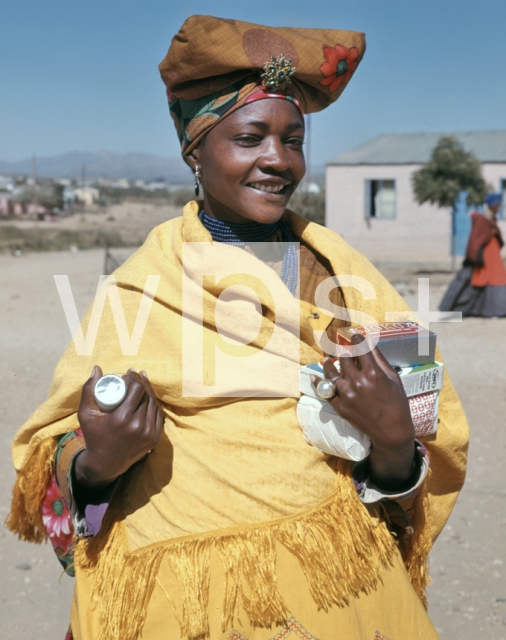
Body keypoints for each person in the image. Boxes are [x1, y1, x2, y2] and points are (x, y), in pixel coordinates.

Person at [7, 16, 469, 640]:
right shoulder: (142, 287)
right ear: (195, 149)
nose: (277, 160)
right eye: (251, 138)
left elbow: (414, 463)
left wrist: (391, 448)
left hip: (339, 592)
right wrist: (98, 462)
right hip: (181, 604)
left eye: (294, 140)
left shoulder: (347, 280)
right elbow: (53, 464)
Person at [439, 192, 506, 316]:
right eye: (496, 205)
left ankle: (496, 310)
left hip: (493, 258)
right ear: (491, 205)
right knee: (475, 281)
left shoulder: (492, 220)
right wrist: (475, 256)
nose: (498, 208)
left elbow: (496, 238)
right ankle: (461, 308)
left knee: (497, 281)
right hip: (483, 259)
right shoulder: (481, 219)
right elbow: (475, 240)